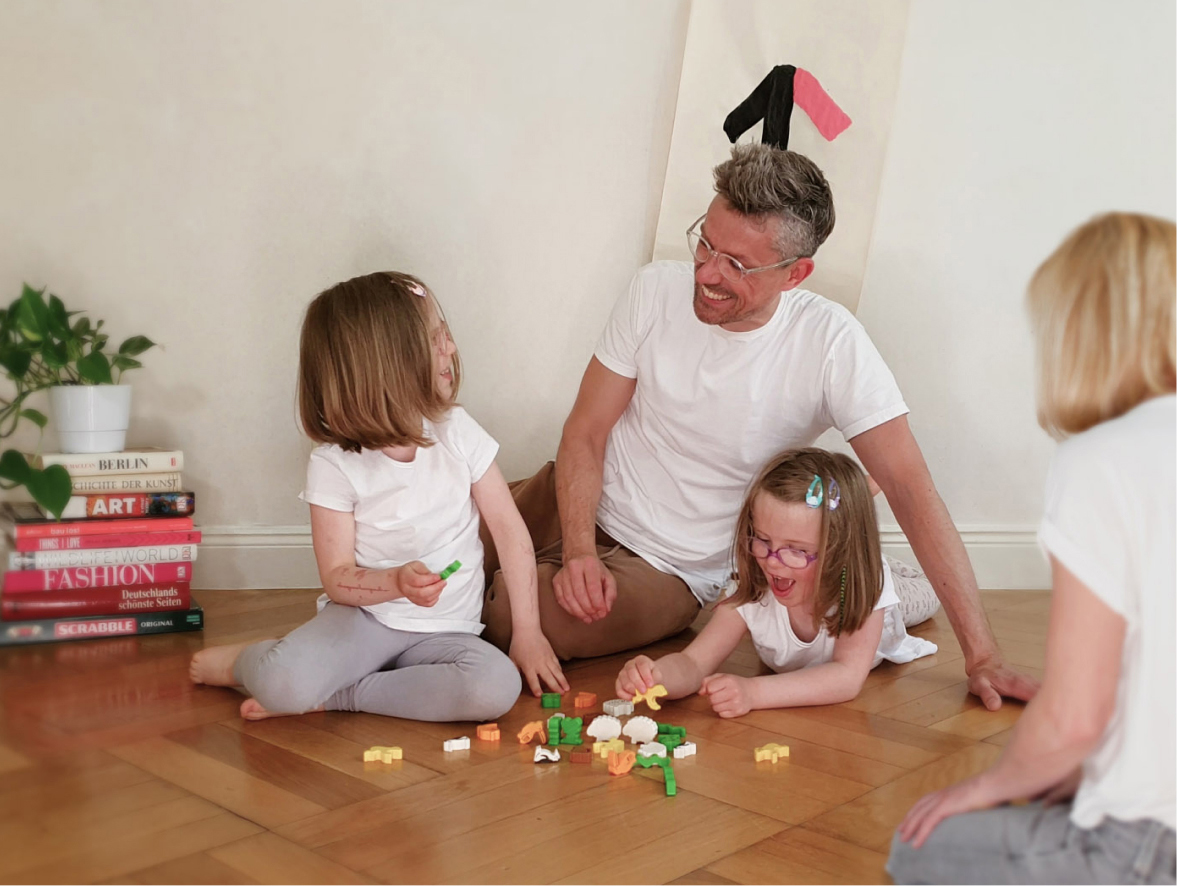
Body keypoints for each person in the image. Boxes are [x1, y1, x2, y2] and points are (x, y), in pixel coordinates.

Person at [482, 143, 1036, 711]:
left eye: (738, 265)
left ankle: (894, 591)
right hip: (570, 496)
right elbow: (585, 433)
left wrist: (982, 656)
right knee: (420, 547)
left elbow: (909, 487)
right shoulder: (653, 289)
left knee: (507, 616)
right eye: (706, 243)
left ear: (795, 274)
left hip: (670, 567)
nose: (708, 273)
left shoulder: (830, 343)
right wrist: (577, 549)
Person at [888, 213, 1176, 884]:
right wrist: (1084, 769)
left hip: (1149, 847)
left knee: (919, 847)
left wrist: (985, 787)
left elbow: (1075, 715)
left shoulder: (1106, 458)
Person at [190, 271, 566, 721]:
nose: (449, 348)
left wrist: (528, 631)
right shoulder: (333, 464)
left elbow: (509, 531)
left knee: (494, 686)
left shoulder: (457, 431)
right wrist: (394, 583)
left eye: (444, 334)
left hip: (448, 632)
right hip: (364, 622)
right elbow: (336, 576)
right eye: (434, 340)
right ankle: (250, 662)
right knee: (281, 683)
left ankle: (339, 694)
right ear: (387, 369)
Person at [614, 448, 936, 717]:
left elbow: (846, 677)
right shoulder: (753, 591)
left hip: (873, 586)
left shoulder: (862, 586)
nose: (771, 561)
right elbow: (693, 662)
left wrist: (753, 692)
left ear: (838, 552)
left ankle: (873, 535)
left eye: (795, 550)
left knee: (931, 589)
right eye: (763, 540)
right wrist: (657, 677)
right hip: (843, 559)